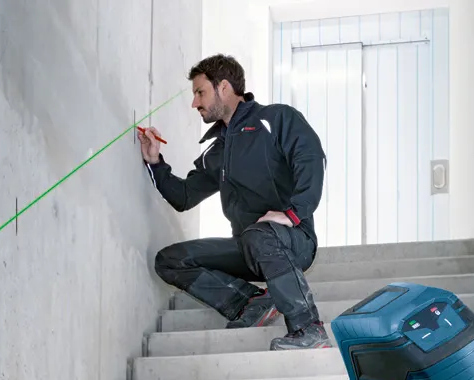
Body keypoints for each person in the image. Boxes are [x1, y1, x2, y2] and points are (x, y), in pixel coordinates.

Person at [138, 54, 331, 351]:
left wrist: (293, 214)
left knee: (260, 232)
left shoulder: (275, 119)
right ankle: (248, 302)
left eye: (200, 92)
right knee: (170, 260)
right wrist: (155, 162)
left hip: (292, 241)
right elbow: (184, 196)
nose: (195, 103)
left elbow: (311, 158)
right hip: (247, 247)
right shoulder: (219, 150)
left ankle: (308, 328)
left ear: (224, 87)